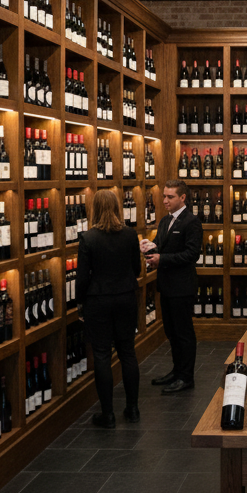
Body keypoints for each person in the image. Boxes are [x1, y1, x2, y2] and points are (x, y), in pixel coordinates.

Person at [76, 189, 142, 428]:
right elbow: (136, 269)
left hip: (98, 301)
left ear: (94, 209)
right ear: (117, 208)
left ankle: (108, 414)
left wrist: (80, 303)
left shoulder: (88, 238)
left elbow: (82, 278)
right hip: (126, 297)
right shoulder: (129, 234)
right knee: (127, 352)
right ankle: (133, 409)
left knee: (102, 355)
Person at [145, 179, 201, 393]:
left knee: (183, 333)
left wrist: (162, 259)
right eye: (164, 196)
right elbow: (160, 244)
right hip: (166, 286)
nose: (165, 200)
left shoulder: (191, 221)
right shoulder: (164, 221)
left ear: (182, 198)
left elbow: (191, 254)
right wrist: (150, 247)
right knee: (171, 331)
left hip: (182, 287)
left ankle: (186, 377)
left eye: (170, 197)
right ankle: (177, 371)